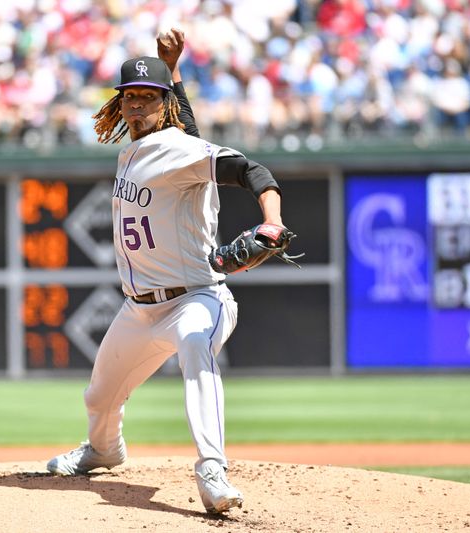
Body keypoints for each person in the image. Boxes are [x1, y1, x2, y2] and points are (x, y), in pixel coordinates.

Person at [46, 29, 287, 514]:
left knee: (197, 346)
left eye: (148, 97)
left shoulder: (178, 149)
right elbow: (189, 135)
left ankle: (213, 471)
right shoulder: (134, 150)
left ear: (163, 105)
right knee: (99, 396)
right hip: (139, 311)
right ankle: (104, 451)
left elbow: (252, 171)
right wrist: (171, 69)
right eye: (129, 97)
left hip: (196, 298)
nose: (136, 105)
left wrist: (273, 219)